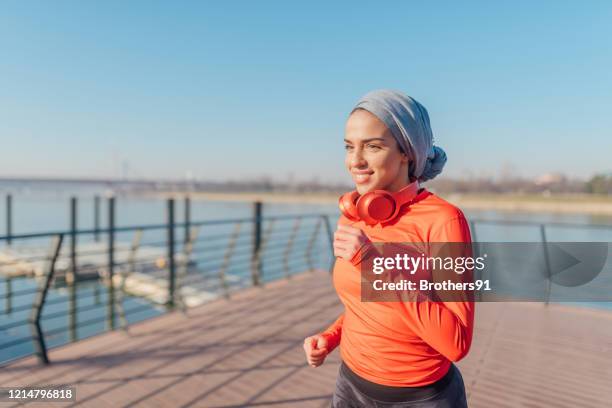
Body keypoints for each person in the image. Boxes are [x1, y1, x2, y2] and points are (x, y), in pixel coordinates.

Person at [303, 90, 474, 407]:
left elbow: (457, 342)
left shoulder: (444, 221)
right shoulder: (355, 215)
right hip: (350, 388)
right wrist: (330, 337)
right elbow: (364, 305)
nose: (356, 161)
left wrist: (372, 265)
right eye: (349, 147)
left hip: (419, 398)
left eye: (373, 146)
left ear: (406, 152)